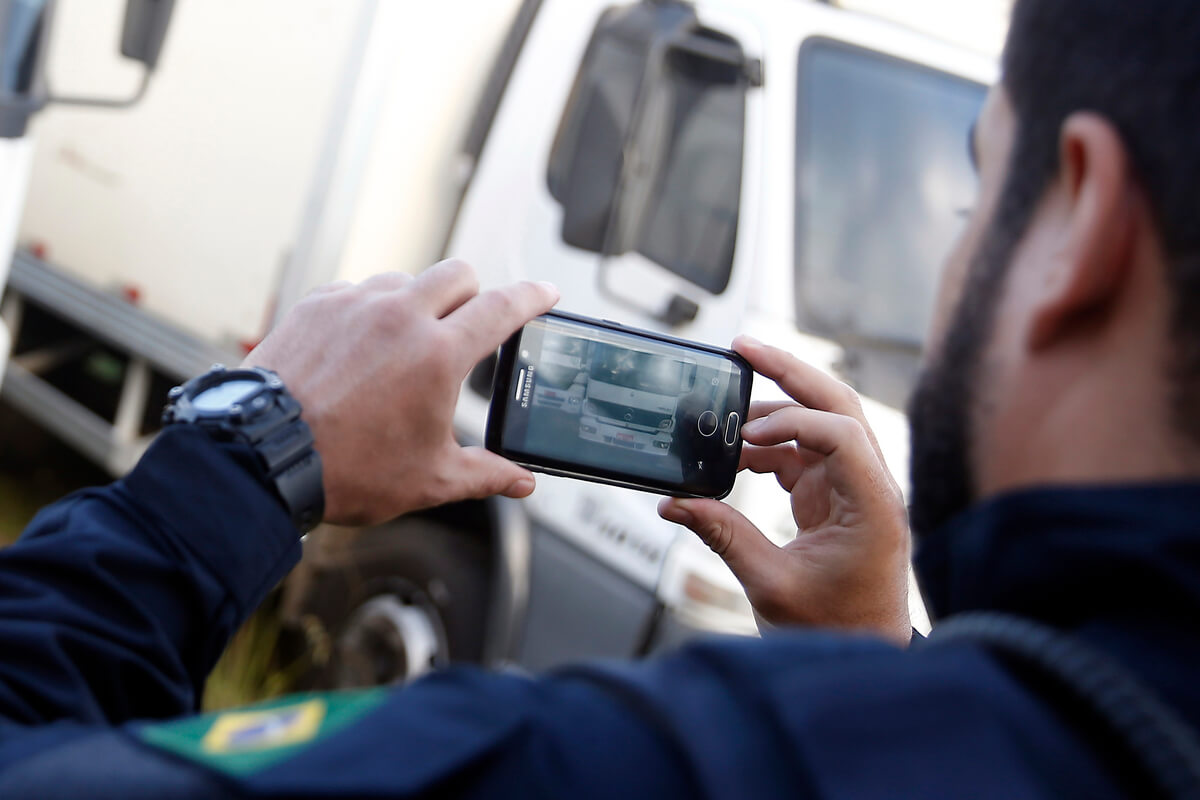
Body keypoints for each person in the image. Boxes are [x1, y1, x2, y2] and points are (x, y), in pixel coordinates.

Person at [2, 0, 1199, 795]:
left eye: (968, 200)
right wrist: (879, 668)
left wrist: (239, 460)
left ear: (1080, 226)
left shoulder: (614, 764)